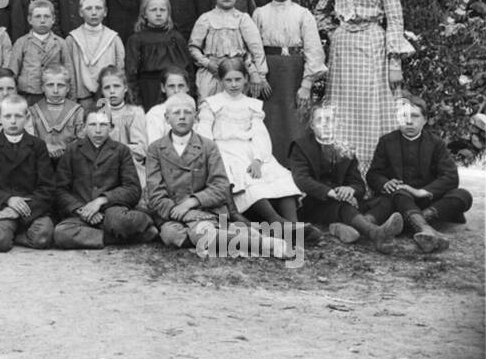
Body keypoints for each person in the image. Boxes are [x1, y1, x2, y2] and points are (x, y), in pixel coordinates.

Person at [314, 0, 415, 175]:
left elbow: (395, 19)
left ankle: (374, 174)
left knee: (371, 106)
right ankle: (343, 171)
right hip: (343, 48)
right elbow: (319, 12)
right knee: (342, 106)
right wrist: (334, 32)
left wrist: (395, 63)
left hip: (373, 45)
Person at [144, 94, 291, 258]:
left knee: (200, 233)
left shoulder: (208, 146)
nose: (182, 117)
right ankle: (233, 235)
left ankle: (265, 245)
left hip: (204, 209)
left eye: (187, 112)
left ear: (196, 117)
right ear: (166, 118)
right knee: (172, 236)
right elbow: (155, 192)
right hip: (171, 213)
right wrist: (176, 210)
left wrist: (192, 202)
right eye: (176, 113)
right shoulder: (156, 149)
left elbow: (220, 187)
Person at [196, 59, 309, 240]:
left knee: (277, 173)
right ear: (220, 81)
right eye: (228, 80)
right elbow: (204, 134)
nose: (234, 85)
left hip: (250, 149)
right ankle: (276, 221)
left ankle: (294, 224)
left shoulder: (252, 104)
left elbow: (259, 134)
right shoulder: (211, 104)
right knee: (245, 177)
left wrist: (258, 159)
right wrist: (213, 156)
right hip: (223, 151)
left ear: (246, 79)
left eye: (238, 79)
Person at [364, 93, 470, 253]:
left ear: (425, 119)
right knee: (399, 191)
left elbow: (451, 177)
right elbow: (373, 174)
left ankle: (418, 219)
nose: (409, 121)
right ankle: (424, 228)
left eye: (415, 116)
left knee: (463, 195)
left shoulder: (436, 143)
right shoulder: (387, 141)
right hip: (398, 198)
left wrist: (421, 192)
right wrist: (385, 183)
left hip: (426, 200)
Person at [288, 104, 402, 252]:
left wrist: (351, 190)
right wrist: (331, 193)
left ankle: (354, 225)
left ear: (336, 123)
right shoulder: (301, 146)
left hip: (344, 203)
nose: (325, 124)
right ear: (312, 125)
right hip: (314, 203)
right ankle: (376, 233)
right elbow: (301, 179)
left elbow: (359, 184)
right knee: (345, 206)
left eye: (329, 120)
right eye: (319, 120)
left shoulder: (344, 147)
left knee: (385, 200)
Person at [252, 0, 326, 166]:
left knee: (296, 120)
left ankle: (298, 170)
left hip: (294, 71)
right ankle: (270, 168)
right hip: (268, 72)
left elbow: (313, 50)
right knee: (271, 119)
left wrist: (306, 84)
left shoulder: (303, 14)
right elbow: (253, 46)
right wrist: (257, 75)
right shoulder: (259, 13)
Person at [52, 106, 155, 248]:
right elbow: (60, 190)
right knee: (61, 233)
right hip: (82, 213)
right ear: (84, 127)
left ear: (111, 127)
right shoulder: (72, 150)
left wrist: (101, 200)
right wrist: (82, 210)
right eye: (93, 125)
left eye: (103, 125)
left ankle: (135, 224)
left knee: (119, 221)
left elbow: (132, 189)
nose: (98, 130)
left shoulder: (121, 150)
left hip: (112, 211)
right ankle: (119, 237)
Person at [0, 94, 56, 252]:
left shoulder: (38, 146)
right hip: (1, 208)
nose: (13, 121)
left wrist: (20, 209)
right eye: (8, 116)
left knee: (44, 235)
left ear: (27, 117)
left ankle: (8, 235)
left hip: (31, 209)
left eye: (18, 116)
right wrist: (8, 200)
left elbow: (47, 188)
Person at [189, 0, 267, 99]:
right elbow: (193, 48)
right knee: (208, 110)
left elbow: (256, 49)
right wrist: (208, 63)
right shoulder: (205, 19)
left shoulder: (243, 19)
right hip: (211, 75)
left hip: (237, 73)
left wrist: (257, 74)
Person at [125, 0, 192, 109]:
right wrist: (136, 102)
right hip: (148, 91)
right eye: (153, 10)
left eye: (162, 10)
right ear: (144, 14)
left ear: (168, 13)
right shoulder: (136, 39)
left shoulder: (176, 38)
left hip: (174, 90)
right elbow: (131, 75)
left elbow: (189, 71)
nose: (158, 14)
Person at [63, 0, 124, 109]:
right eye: (88, 8)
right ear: (81, 12)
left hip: (107, 98)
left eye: (98, 8)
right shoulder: (72, 39)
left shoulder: (113, 39)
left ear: (105, 12)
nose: (94, 12)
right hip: (81, 99)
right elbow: (68, 70)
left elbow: (119, 69)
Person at [96, 66, 148, 184]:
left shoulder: (135, 113)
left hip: (130, 167)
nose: (112, 91)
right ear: (102, 91)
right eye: (107, 88)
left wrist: (114, 150)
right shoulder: (97, 115)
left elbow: (141, 149)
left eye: (116, 86)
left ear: (125, 88)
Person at [8, 0, 66, 103]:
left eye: (47, 17)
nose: (42, 20)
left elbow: (68, 69)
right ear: (29, 19)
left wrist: (71, 98)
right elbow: (13, 72)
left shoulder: (60, 43)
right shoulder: (22, 42)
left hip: (53, 94)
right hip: (27, 95)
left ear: (53, 19)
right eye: (38, 16)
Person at [26, 63, 85, 163]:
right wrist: (45, 149)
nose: (55, 90)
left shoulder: (77, 111)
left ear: (68, 88)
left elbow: (82, 139)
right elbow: (30, 139)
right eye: (50, 85)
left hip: (70, 161)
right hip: (41, 160)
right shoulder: (33, 111)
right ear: (42, 88)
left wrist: (64, 151)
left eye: (61, 85)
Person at [144, 65, 192, 145]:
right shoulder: (155, 114)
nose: (176, 91)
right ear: (163, 88)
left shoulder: (193, 113)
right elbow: (154, 146)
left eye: (181, 86)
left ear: (187, 87)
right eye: (171, 86)